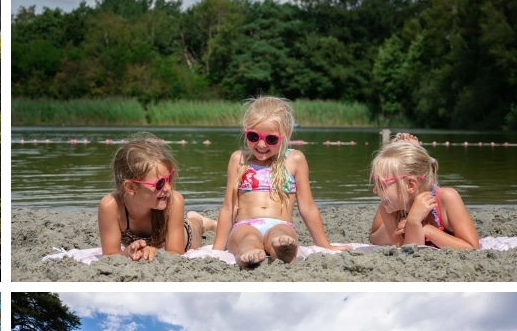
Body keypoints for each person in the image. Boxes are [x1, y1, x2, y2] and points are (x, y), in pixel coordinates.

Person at [213, 96, 338, 269]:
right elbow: (229, 208)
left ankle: (282, 251)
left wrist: (326, 245)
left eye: (271, 139)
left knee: (280, 235)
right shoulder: (239, 159)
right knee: (247, 238)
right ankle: (247, 253)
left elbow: (307, 208)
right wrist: (216, 250)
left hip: (280, 224)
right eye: (253, 136)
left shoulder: (294, 160)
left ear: (285, 134)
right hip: (245, 224)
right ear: (245, 131)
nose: (261, 144)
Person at [98, 134, 216, 261]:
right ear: (131, 187)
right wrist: (128, 252)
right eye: (159, 183)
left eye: (169, 179)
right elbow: (110, 254)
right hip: (156, 240)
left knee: (193, 232)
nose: (168, 188)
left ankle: (199, 221)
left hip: (178, 237)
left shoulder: (174, 201)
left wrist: (155, 251)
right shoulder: (111, 206)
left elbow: (176, 251)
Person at [368, 133, 479, 249]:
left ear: (410, 185)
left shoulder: (447, 198)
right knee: (377, 236)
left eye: (381, 184)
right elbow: (406, 251)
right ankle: (410, 153)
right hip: (401, 204)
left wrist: (427, 229)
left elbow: (472, 247)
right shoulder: (388, 209)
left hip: (420, 191)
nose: (374, 190)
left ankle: (414, 155)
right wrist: (414, 223)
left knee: (425, 184)